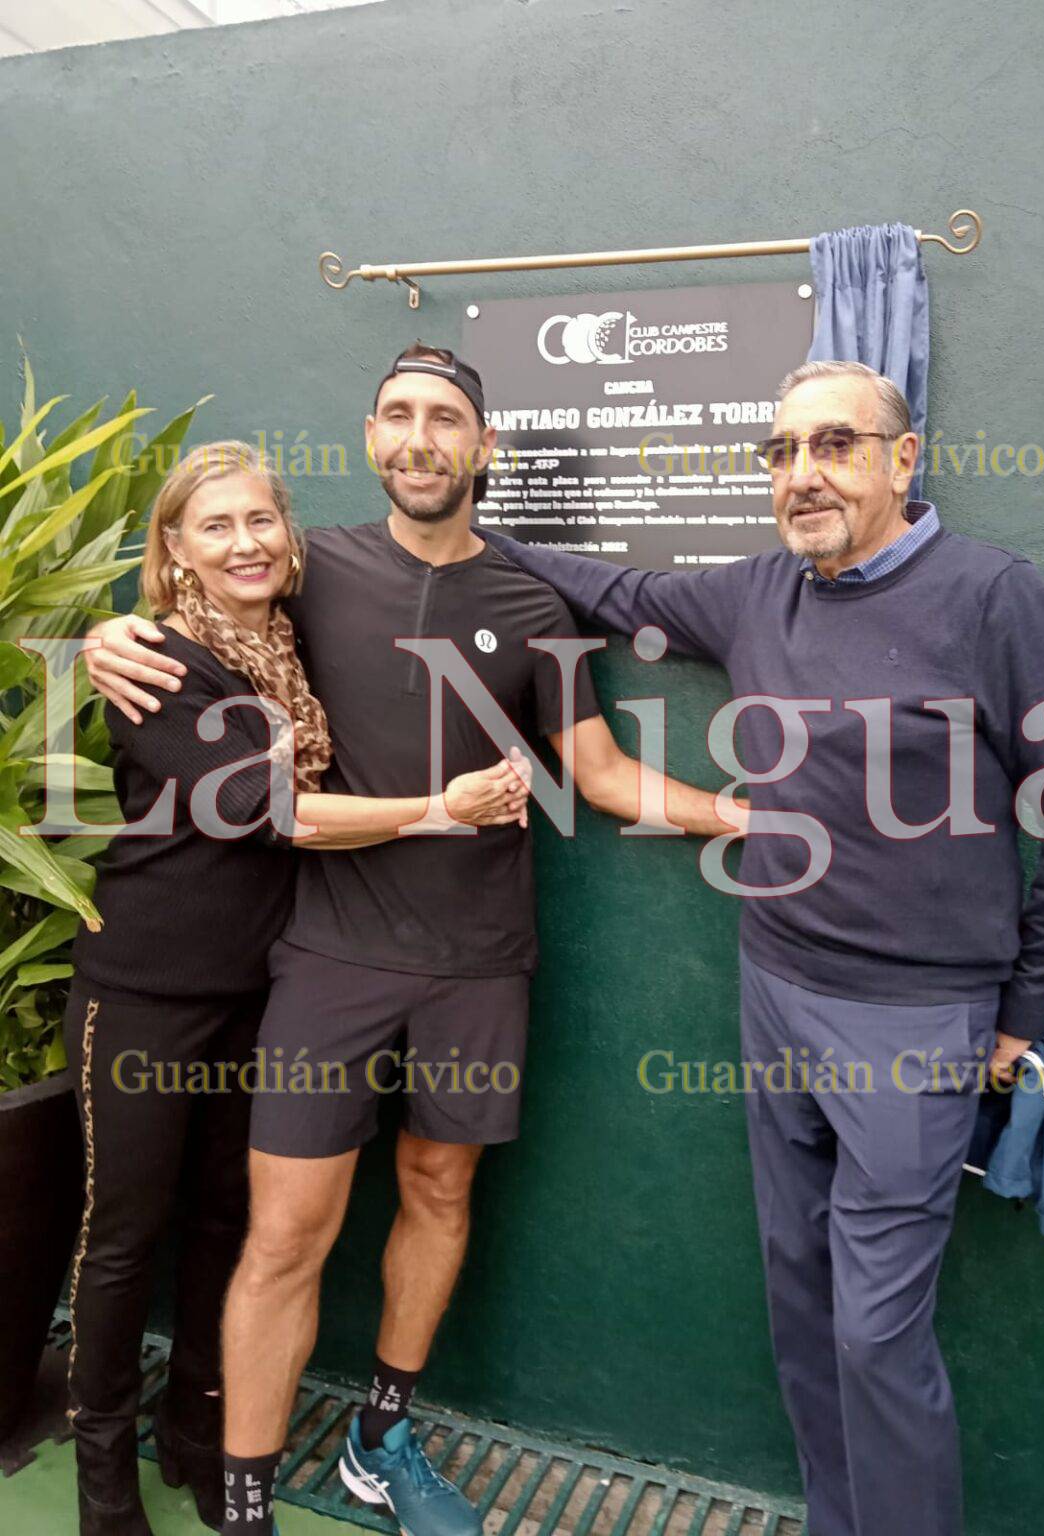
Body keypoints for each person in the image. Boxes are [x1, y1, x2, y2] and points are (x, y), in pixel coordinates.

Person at [85, 345, 746, 1536]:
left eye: (445, 417)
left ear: (482, 447)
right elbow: (195, 608)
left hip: (481, 963)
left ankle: (380, 1440)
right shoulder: (308, 572)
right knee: (284, 1232)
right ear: (373, 436)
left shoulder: (536, 605)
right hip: (326, 963)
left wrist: (740, 812)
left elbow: (597, 776)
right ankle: (243, 1503)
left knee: (438, 1190)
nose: (419, 436)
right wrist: (102, 637)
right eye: (397, 415)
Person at [478, 360, 1044, 1536]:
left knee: (877, 1333)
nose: (802, 475)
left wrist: (1020, 1015)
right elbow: (620, 584)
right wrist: (451, 535)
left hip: (915, 1025)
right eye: (780, 453)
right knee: (799, 1296)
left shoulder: (995, 597)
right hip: (774, 986)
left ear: (904, 457)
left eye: (833, 445)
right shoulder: (755, 595)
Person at [68, 440, 530, 1536]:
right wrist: (439, 809)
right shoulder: (160, 664)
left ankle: (194, 1440)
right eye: (214, 527)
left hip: (261, 987)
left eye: (261, 522)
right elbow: (276, 811)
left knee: (227, 1223)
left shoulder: (290, 638)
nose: (244, 544)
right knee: (125, 1237)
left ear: (292, 536)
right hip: (145, 987)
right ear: (172, 549)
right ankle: (100, 1487)